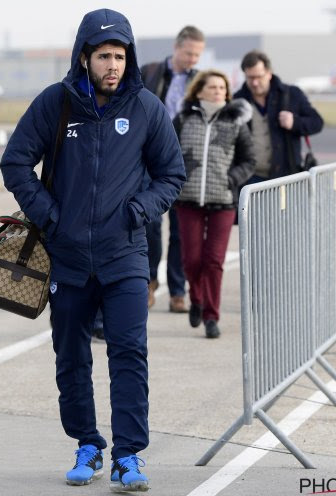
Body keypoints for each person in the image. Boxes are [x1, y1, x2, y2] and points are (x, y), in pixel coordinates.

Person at [0, 9, 185, 492]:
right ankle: (87, 443)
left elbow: (171, 175)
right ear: (84, 58)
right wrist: (49, 214)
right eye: (103, 55)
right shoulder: (54, 104)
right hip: (67, 259)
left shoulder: (146, 108)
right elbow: (15, 162)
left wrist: (139, 211)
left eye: (120, 56)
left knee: (129, 352)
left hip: (124, 255)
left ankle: (128, 456)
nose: (112, 65)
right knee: (71, 356)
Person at [173, 70, 255, 338]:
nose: (219, 91)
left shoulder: (236, 123)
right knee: (192, 260)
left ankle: (211, 316)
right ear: (199, 91)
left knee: (214, 261)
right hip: (188, 200)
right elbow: (167, 153)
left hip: (223, 200)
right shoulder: (184, 119)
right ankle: (195, 298)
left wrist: (231, 179)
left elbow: (249, 160)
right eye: (213, 87)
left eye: (223, 87)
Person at [140, 26, 205, 313]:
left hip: (183, 160)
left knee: (181, 229)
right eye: (189, 52)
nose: (193, 59)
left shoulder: (199, 80)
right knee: (151, 224)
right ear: (177, 47)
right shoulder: (150, 72)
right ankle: (150, 281)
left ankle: (178, 291)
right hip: (149, 157)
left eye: (197, 54)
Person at [233, 50, 323, 182]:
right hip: (249, 178)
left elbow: (317, 122)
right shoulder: (237, 101)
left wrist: (295, 123)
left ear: (269, 73)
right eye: (250, 78)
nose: (255, 83)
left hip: (286, 176)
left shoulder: (291, 94)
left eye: (259, 77)